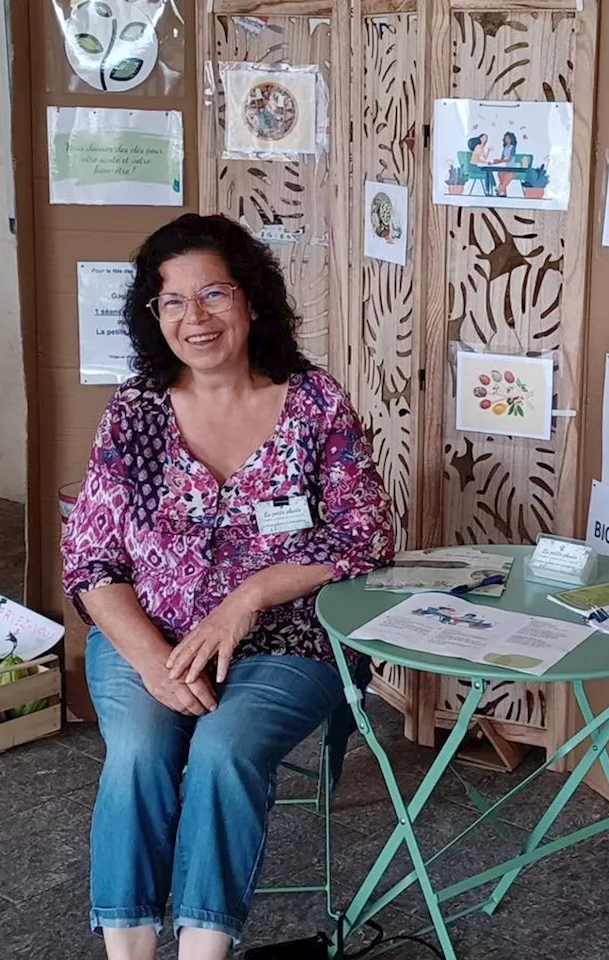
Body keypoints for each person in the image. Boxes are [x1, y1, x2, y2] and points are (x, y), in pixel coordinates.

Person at [61, 213, 395, 960]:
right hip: (149, 634)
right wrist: (151, 659)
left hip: (289, 641)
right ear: (154, 316)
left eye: (212, 294)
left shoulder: (312, 405)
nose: (195, 318)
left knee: (221, 751)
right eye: (172, 301)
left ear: (250, 299)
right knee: (141, 752)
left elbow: (366, 534)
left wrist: (247, 600)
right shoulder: (137, 413)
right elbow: (90, 562)